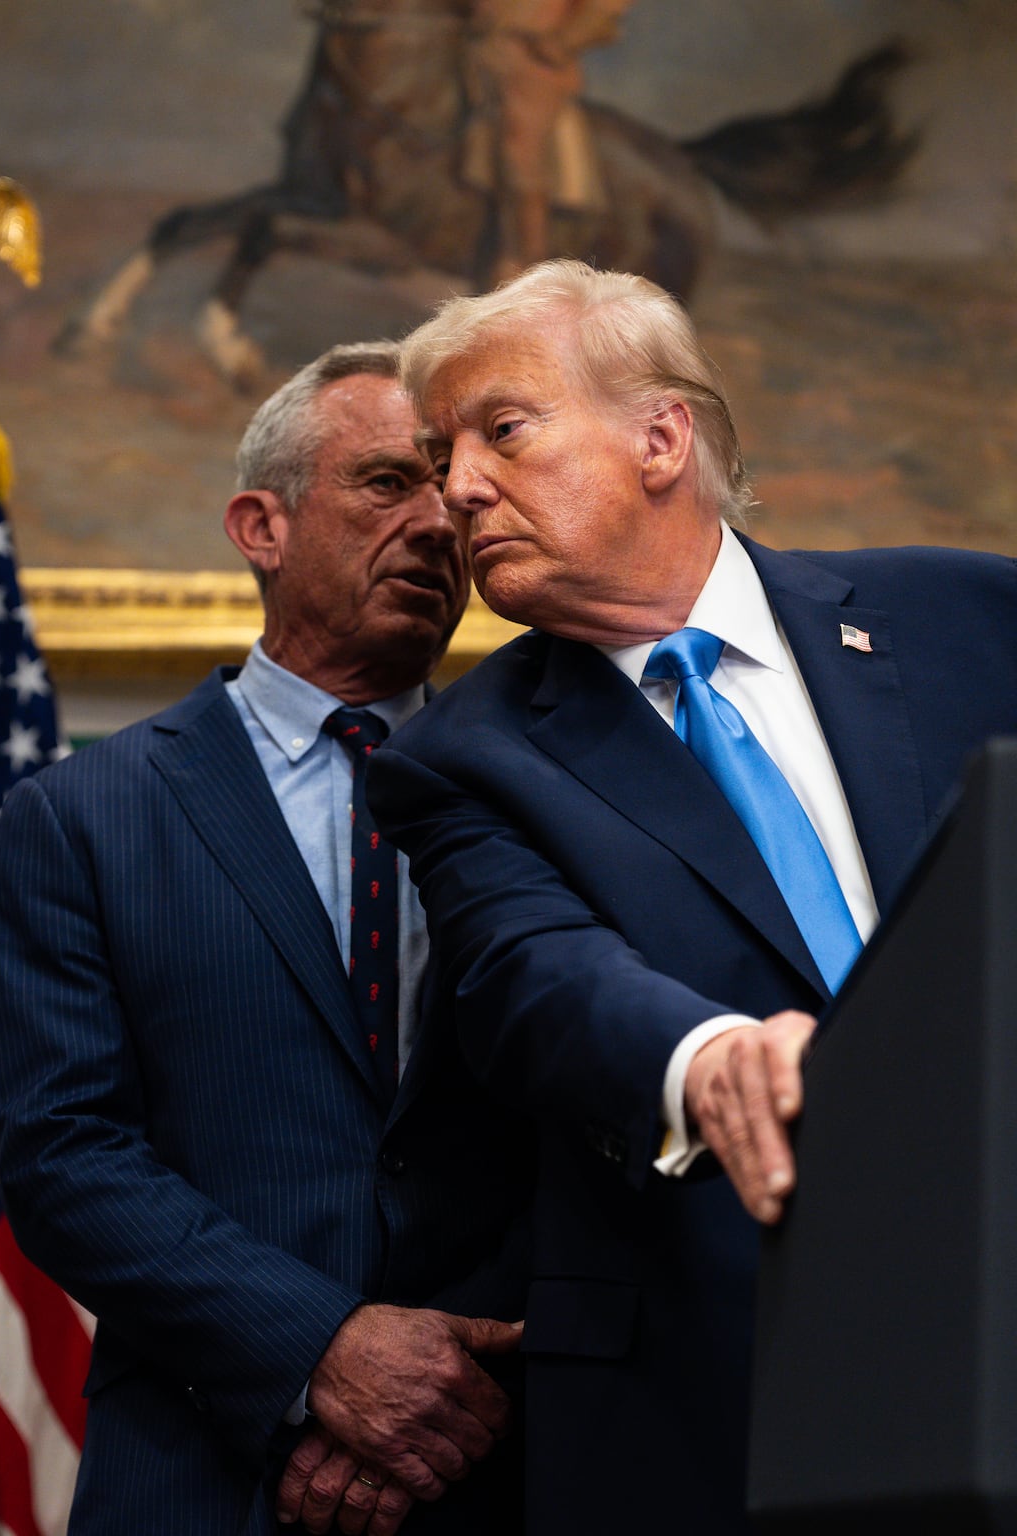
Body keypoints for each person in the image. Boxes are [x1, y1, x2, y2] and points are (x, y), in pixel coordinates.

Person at [367, 261, 1017, 1535]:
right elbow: (531, 976)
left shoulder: (975, 620)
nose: (456, 490)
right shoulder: (466, 756)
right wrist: (704, 1056)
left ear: (660, 436)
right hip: (716, 1387)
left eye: (501, 430)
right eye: (441, 456)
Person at [0, 342, 533, 1536]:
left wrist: (441, 1389)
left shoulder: (546, 794)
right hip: (200, 1468)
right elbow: (61, 1158)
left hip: (489, 1465)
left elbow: (586, 1132)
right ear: (261, 526)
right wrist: (318, 1357)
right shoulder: (82, 817)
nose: (441, 522)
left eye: (453, 489)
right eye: (390, 483)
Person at [462, 1, 636, 279]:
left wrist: (557, 43)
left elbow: (604, 8)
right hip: (476, 44)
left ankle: (524, 257)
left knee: (520, 144)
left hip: (534, 63)